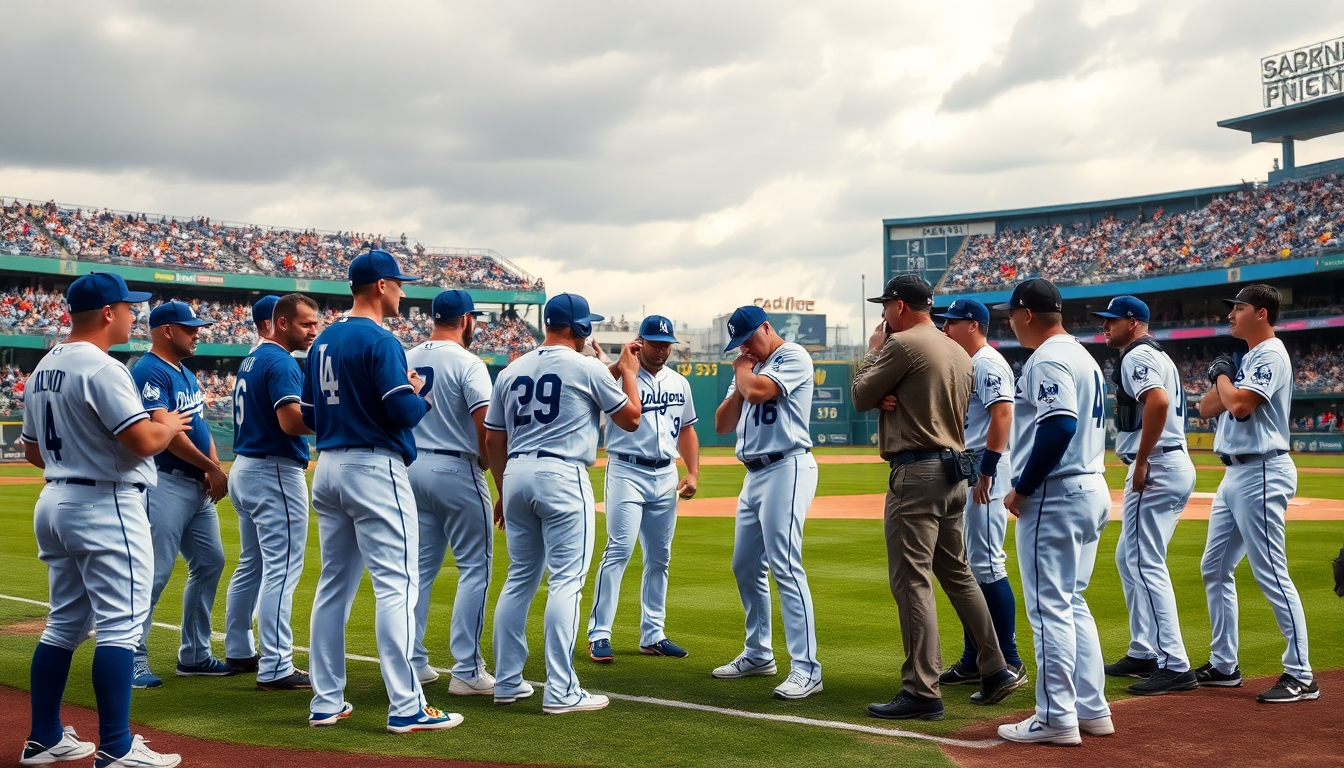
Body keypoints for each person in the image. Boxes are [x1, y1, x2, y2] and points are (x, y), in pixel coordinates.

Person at [19, 273, 189, 768]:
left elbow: (31, 449)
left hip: (56, 498)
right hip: (106, 503)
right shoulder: (104, 368)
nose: (135, 315)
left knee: (64, 624)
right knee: (120, 626)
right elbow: (141, 442)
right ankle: (116, 748)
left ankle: (45, 738)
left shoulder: (44, 362)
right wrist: (167, 425)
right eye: (130, 307)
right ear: (109, 313)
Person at [303, 249, 462, 732]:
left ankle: (325, 701)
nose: (403, 292)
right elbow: (403, 413)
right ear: (379, 286)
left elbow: (309, 415)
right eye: (398, 283)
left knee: (333, 586)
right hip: (373, 466)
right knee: (397, 584)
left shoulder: (322, 341)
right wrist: (416, 392)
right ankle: (407, 705)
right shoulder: (381, 340)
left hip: (327, 465)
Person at [851, 280, 1023, 721]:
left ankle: (921, 690)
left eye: (887, 306)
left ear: (901, 306)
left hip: (917, 472)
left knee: (912, 581)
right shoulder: (959, 352)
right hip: (954, 472)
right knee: (960, 575)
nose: (884, 315)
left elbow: (860, 395)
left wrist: (875, 351)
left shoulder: (902, 344)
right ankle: (996, 667)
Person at [485, 293, 642, 713]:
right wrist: (628, 372)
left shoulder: (512, 368)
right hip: (562, 474)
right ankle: (560, 690)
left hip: (516, 473)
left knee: (519, 578)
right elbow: (630, 418)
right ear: (580, 328)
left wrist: (501, 487)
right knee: (566, 582)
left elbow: (493, 437)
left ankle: (507, 682)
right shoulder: (587, 366)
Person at [993, 278, 1112, 746]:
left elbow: (1060, 425)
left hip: (1058, 493)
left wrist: (1023, 487)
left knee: (1049, 611)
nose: (1009, 321)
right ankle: (1092, 709)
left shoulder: (1046, 357)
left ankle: (1054, 717)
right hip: (1091, 487)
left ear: (1026, 315)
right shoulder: (1082, 354)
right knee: (1072, 603)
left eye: (1010, 314)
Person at [1198, 284, 1316, 703]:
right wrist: (1225, 382)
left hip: (1262, 470)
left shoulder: (1269, 353)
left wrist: (1221, 376)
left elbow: (1240, 405)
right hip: (1236, 475)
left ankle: (1301, 674)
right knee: (1213, 567)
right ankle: (1224, 665)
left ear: (1261, 314)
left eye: (1239, 308)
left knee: (1270, 571)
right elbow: (1207, 407)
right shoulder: (1249, 357)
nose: (1231, 315)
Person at [710, 305, 822, 700]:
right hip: (753, 474)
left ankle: (807, 668)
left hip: (787, 466)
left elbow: (757, 390)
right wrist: (742, 377)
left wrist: (743, 371)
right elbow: (722, 424)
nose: (746, 350)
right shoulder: (748, 369)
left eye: (748, 341)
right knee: (744, 564)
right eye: (739, 345)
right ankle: (758, 653)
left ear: (767, 327)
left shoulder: (792, 355)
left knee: (785, 565)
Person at [1092, 296, 1197, 695]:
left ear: (1133, 323)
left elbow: (1158, 401)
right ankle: (1144, 650)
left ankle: (1174, 663)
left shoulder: (1137, 356)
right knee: (1129, 557)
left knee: (1144, 561)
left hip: (1156, 464)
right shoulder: (1155, 354)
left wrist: (1142, 459)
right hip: (1171, 463)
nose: (1105, 327)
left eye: (1112, 321)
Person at [587, 315, 700, 663]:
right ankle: (599, 634)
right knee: (619, 550)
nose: (663, 350)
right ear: (639, 342)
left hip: (665, 474)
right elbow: (596, 385)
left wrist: (692, 471)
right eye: (656, 343)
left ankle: (653, 634)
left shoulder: (680, 383)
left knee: (660, 557)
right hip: (625, 470)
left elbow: (687, 430)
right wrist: (617, 366)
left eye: (667, 344)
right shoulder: (619, 377)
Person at [131, 300, 232, 687]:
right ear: (166, 330)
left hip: (196, 486)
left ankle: (194, 654)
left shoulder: (185, 374)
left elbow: (199, 428)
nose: (197, 332)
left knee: (210, 562)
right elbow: (165, 436)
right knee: (153, 574)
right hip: (165, 481)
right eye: (189, 327)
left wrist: (213, 466)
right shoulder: (148, 370)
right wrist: (211, 469)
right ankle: (132, 658)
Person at [222, 294, 321, 690]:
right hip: (273, 470)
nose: (313, 330)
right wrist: (340, 414)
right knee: (281, 570)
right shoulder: (279, 360)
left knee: (253, 565)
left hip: (246, 467)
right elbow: (291, 423)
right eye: (306, 324)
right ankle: (276, 664)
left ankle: (239, 649)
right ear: (280, 324)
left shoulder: (253, 356)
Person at [404, 289, 497, 696]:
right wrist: (488, 464)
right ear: (466, 320)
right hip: (455, 466)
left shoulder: (406, 356)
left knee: (418, 572)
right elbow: (486, 424)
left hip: (411, 466)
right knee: (475, 568)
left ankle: (414, 661)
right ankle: (468, 669)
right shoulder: (469, 362)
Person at [932, 298, 1026, 691]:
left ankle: (1009, 660)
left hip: (986, 469)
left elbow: (1002, 412)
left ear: (972, 324)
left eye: (951, 323)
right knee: (970, 567)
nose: (945, 328)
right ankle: (975, 659)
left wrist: (986, 471)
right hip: (970, 467)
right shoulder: (968, 361)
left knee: (987, 564)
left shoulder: (987, 361)